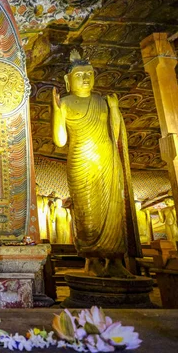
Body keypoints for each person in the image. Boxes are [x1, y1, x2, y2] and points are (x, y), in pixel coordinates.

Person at [52, 50, 134, 278]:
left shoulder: (102, 101)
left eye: (89, 74)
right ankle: (93, 259)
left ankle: (116, 260)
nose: (86, 78)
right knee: (87, 210)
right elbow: (60, 140)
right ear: (69, 81)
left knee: (112, 210)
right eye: (80, 75)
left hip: (106, 159)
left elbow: (115, 132)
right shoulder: (67, 102)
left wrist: (115, 109)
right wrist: (57, 112)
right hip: (81, 160)